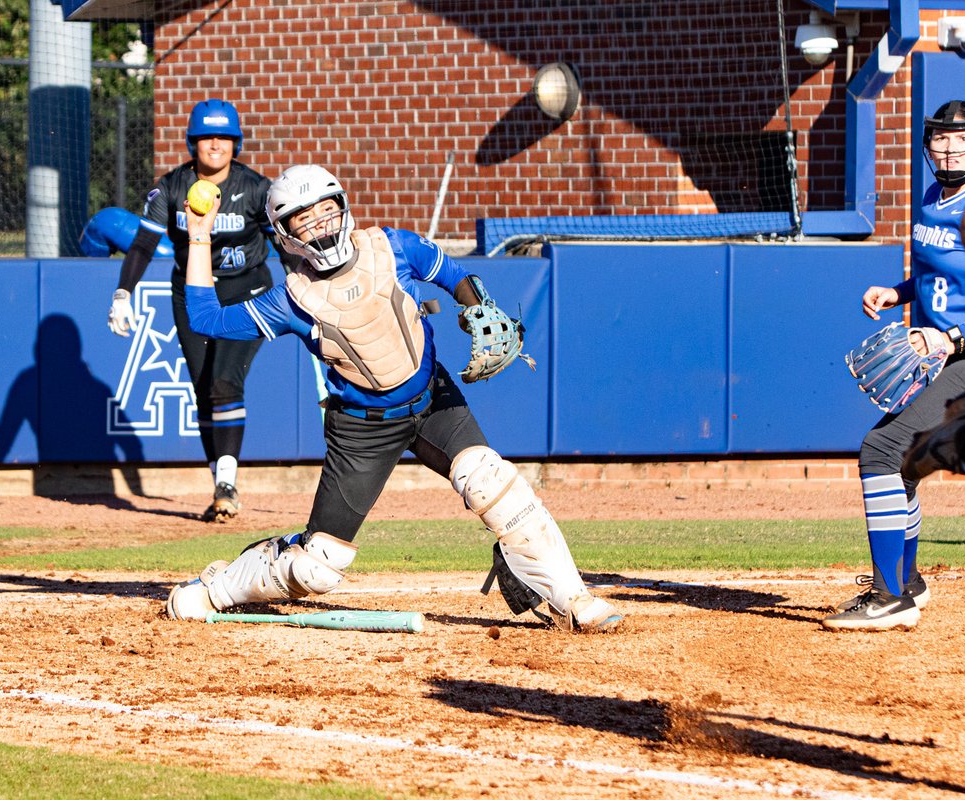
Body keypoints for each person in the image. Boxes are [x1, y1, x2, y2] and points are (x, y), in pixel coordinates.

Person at [162, 164, 624, 632]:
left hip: (432, 398)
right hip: (362, 428)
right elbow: (205, 319)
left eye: (326, 209)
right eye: (304, 218)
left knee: (494, 482)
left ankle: (574, 601)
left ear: (344, 206)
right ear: (285, 234)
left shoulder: (392, 246)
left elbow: (456, 275)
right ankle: (218, 587)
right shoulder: (291, 298)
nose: (320, 223)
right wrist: (199, 235)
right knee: (317, 567)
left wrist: (479, 306)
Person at [823, 100, 965, 631]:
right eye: (942, 138)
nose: (951, 148)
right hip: (946, 355)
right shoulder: (933, 198)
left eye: (963, 138)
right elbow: (942, 278)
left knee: (882, 450)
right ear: (928, 144)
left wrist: (951, 337)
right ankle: (907, 583)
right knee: (905, 461)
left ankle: (889, 597)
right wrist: (898, 293)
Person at [107, 99, 273, 522]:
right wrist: (123, 293)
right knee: (203, 389)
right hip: (192, 294)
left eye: (224, 137)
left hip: (247, 291)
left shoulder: (257, 188)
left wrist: (309, 287)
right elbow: (143, 245)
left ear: (236, 143)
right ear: (192, 142)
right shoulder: (171, 187)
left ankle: (228, 483)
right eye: (206, 137)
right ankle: (220, 485)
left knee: (224, 382)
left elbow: (286, 245)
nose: (215, 145)